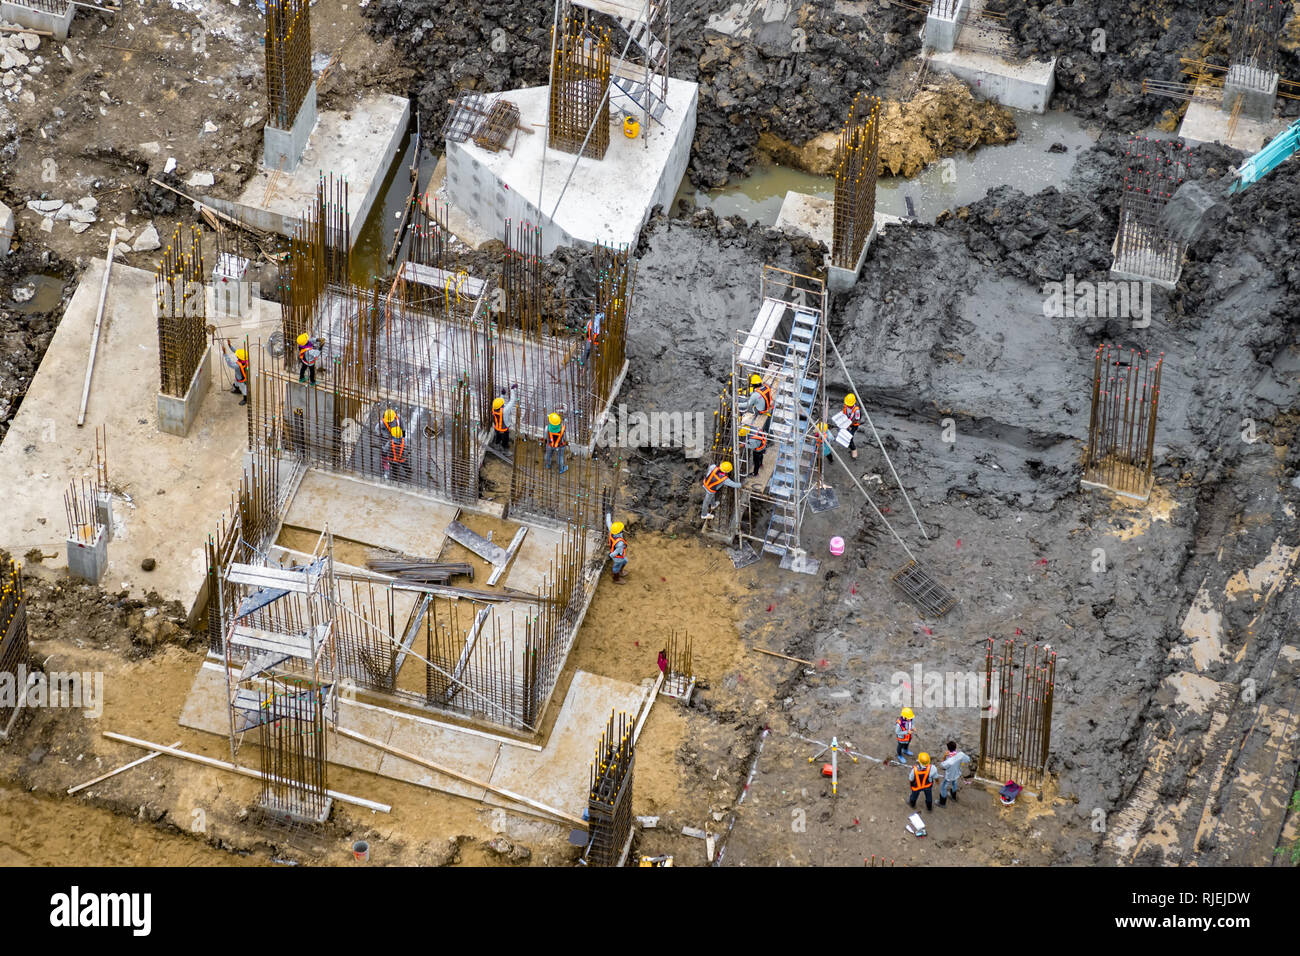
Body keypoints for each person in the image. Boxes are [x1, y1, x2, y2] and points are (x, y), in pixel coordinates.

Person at [939, 741, 972, 806]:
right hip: (957, 774)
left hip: (949, 776)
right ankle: (953, 796)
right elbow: (968, 759)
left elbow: (942, 765)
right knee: (954, 784)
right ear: (955, 748)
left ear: (948, 749)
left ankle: (942, 802)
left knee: (943, 787)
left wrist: (944, 756)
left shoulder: (948, 761)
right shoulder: (961, 754)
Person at [491, 388, 517, 452]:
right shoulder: (504, 411)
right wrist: (512, 390)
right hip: (504, 430)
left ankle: (497, 445)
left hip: (497, 428)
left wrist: (502, 395)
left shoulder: (494, 409)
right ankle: (505, 450)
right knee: (505, 440)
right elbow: (512, 401)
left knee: (498, 437)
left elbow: (499, 403)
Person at [223, 341, 249, 406]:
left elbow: (230, 363)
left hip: (242, 379)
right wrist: (230, 346)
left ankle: (245, 399)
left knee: (244, 389)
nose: (236, 356)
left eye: (237, 356)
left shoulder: (238, 365)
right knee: (236, 383)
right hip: (238, 377)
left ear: (239, 358)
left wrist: (225, 354)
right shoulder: (245, 359)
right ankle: (237, 390)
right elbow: (236, 351)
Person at [606, 514, 628, 582]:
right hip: (618, 557)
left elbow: (608, 522)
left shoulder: (612, 530)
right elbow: (615, 552)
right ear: (619, 531)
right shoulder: (620, 543)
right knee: (616, 567)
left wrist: (608, 514)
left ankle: (620, 572)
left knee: (625, 561)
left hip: (618, 554)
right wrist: (612, 555)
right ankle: (616, 579)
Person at [842, 393, 863, 459]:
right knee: (844, 434)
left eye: (849, 404)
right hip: (846, 423)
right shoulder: (846, 405)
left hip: (853, 425)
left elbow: (856, 419)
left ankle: (853, 449)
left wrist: (849, 425)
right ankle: (850, 446)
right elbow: (844, 412)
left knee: (849, 437)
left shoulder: (856, 410)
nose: (848, 405)